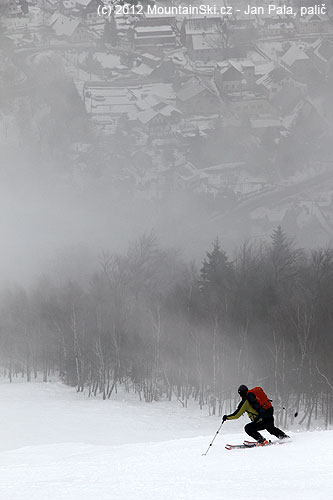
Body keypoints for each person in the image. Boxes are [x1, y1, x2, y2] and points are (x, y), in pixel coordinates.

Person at [222, 384, 290, 445]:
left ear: (240, 393)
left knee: (248, 428)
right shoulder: (254, 397)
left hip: (261, 420)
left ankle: (262, 441)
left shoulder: (245, 402)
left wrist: (227, 417)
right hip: (269, 416)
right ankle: (285, 437)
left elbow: (236, 415)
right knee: (271, 429)